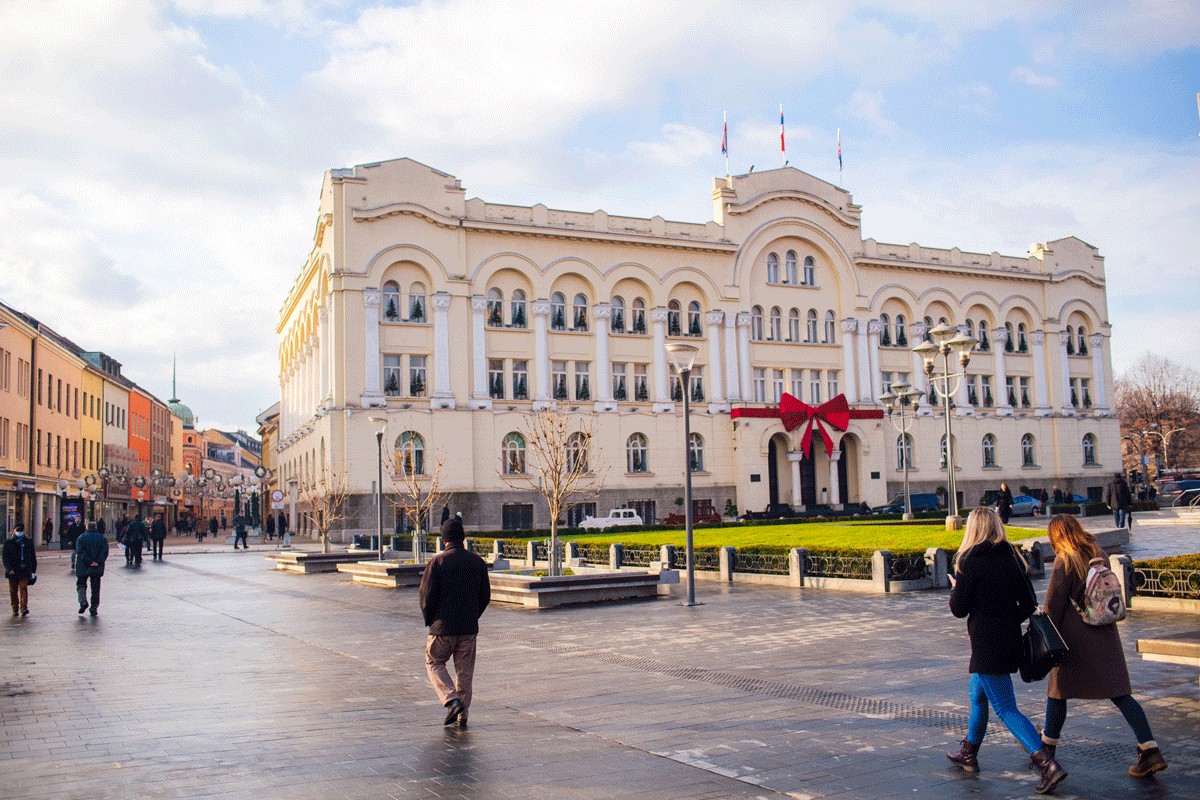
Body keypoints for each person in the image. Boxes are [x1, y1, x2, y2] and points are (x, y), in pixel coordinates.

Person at [947, 507, 1066, 794]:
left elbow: (958, 609)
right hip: (1009, 638)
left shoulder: (969, 560)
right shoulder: (1012, 557)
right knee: (978, 693)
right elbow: (1028, 604)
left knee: (1005, 707)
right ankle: (969, 752)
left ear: (972, 529)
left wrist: (955, 588)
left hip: (986, 643)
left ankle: (1046, 764)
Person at [1040, 514, 1167, 778]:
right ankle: (1150, 748)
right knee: (1120, 693)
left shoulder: (1066, 559)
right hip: (1105, 634)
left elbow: (1053, 605)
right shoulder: (1098, 553)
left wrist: (1044, 634)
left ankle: (1046, 750)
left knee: (1058, 690)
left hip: (1074, 639)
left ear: (1057, 536)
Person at [418, 516, 490, 729]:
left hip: (443, 627)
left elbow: (426, 596)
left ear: (444, 541)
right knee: (464, 672)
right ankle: (462, 716)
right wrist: (473, 616)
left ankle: (451, 699)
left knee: (433, 662)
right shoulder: (477, 562)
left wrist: (430, 620)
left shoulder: (438, 562)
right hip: (468, 628)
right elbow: (485, 596)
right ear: (463, 539)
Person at [75, 520, 108, 616]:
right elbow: (104, 551)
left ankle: (83, 601)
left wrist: (88, 561)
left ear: (87, 527)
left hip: (83, 566)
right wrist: (98, 562)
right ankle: (94, 607)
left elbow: (80, 551)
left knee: (81, 584)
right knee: (95, 588)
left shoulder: (81, 538)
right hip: (97, 567)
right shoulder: (102, 538)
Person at [3, 523, 37, 617]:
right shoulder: (8, 542)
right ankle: (15, 608)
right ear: (14, 530)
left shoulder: (28, 541)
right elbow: (5, 558)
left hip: (24, 569)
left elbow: (32, 556)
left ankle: (24, 608)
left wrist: (33, 570)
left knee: (23, 588)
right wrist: (9, 568)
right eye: (17, 530)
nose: (19, 532)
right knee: (13, 590)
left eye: (21, 530)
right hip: (13, 570)